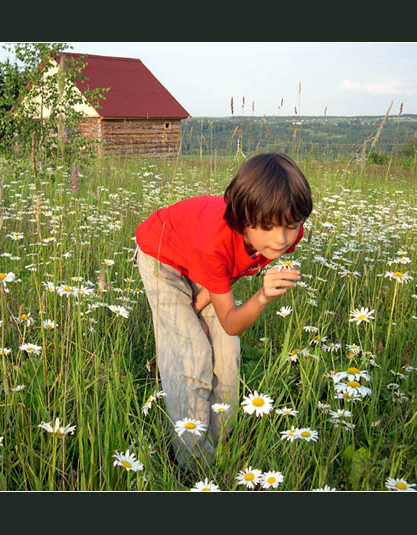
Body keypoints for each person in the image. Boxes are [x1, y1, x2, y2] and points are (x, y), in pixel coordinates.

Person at [134, 153, 313, 468]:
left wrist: (200, 304)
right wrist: (261, 297)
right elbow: (231, 320)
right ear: (244, 220)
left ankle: (221, 447)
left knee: (227, 355)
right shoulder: (214, 241)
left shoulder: (285, 234)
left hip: (203, 263)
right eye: (269, 227)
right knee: (191, 358)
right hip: (163, 256)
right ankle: (193, 464)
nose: (281, 239)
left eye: (291, 225)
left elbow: (227, 271)